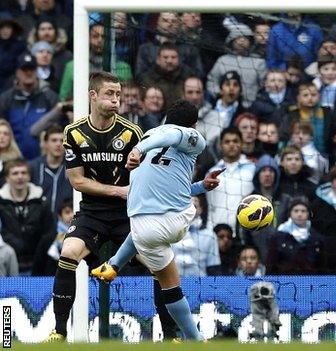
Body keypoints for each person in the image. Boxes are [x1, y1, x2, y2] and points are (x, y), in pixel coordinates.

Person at [45, 72, 163, 342]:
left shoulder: (132, 132)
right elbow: (77, 181)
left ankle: (171, 336)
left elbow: (146, 177)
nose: (116, 100)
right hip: (93, 213)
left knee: (158, 264)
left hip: (127, 215)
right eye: (110, 94)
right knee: (69, 250)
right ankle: (59, 331)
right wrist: (117, 190)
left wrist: (135, 174)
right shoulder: (73, 133)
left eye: (118, 95)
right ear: (93, 95)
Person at [91, 99, 222, 341]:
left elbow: (174, 185)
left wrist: (202, 186)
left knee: (166, 281)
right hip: (176, 218)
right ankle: (196, 341)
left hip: (143, 226)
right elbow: (174, 136)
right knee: (171, 286)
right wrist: (137, 151)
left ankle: (114, 265)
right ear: (193, 125)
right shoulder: (192, 137)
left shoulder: (148, 137)